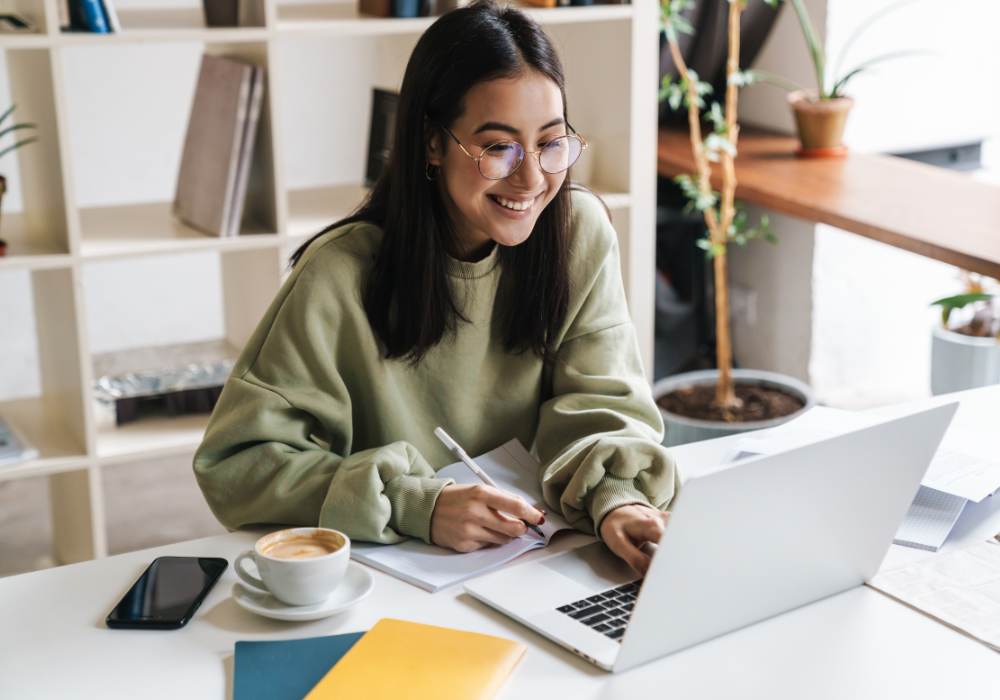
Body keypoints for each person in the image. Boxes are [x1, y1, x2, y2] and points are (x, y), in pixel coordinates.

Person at [193, 0, 680, 576]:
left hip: (543, 563)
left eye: (551, 143)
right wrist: (416, 503)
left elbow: (603, 406)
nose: (532, 178)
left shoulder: (579, 234)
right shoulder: (339, 274)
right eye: (499, 148)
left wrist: (617, 497)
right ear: (431, 142)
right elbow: (238, 465)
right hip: (391, 580)